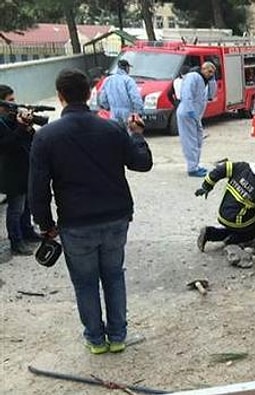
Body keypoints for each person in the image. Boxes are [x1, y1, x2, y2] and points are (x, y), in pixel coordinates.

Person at [29, 68, 153, 354]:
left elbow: (38, 188)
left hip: (75, 222)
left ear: (60, 97)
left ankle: (96, 340)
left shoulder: (46, 137)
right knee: (113, 275)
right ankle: (118, 336)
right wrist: (137, 134)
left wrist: (46, 225)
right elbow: (141, 164)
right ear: (89, 95)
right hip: (116, 217)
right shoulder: (112, 129)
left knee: (85, 282)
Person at [195, 153, 255, 250]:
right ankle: (234, 239)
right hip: (239, 221)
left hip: (223, 213)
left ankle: (210, 233)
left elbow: (221, 169)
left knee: (250, 215)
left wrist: (206, 186)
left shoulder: (241, 167)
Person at [0, 85, 41, 256]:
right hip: (10, 172)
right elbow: (8, 145)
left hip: (24, 167)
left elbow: (30, 138)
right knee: (16, 208)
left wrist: (28, 126)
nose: (13, 104)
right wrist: (20, 127)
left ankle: (28, 231)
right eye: (10, 101)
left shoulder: (11, 119)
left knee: (27, 205)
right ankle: (16, 241)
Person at [177, 61, 217, 177]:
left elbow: (211, 95)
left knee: (198, 140)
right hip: (187, 113)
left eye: (212, 73)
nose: (210, 74)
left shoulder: (205, 81)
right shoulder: (193, 77)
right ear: (203, 69)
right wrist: (190, 110)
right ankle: (192, 168)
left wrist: (213, 80)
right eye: (209, 71)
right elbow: (186, 94)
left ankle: (196, 164)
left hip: (196, 115)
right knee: (191, 141)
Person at [98, 59, 144, 126]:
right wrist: (139, 112)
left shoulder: (108, 80)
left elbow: (102, 98)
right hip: (128, 113)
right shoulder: (128, 80)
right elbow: (135, 97)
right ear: (127, 68)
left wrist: (108, 107)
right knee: (128, 133)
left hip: (113, 113)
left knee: (116, 132)